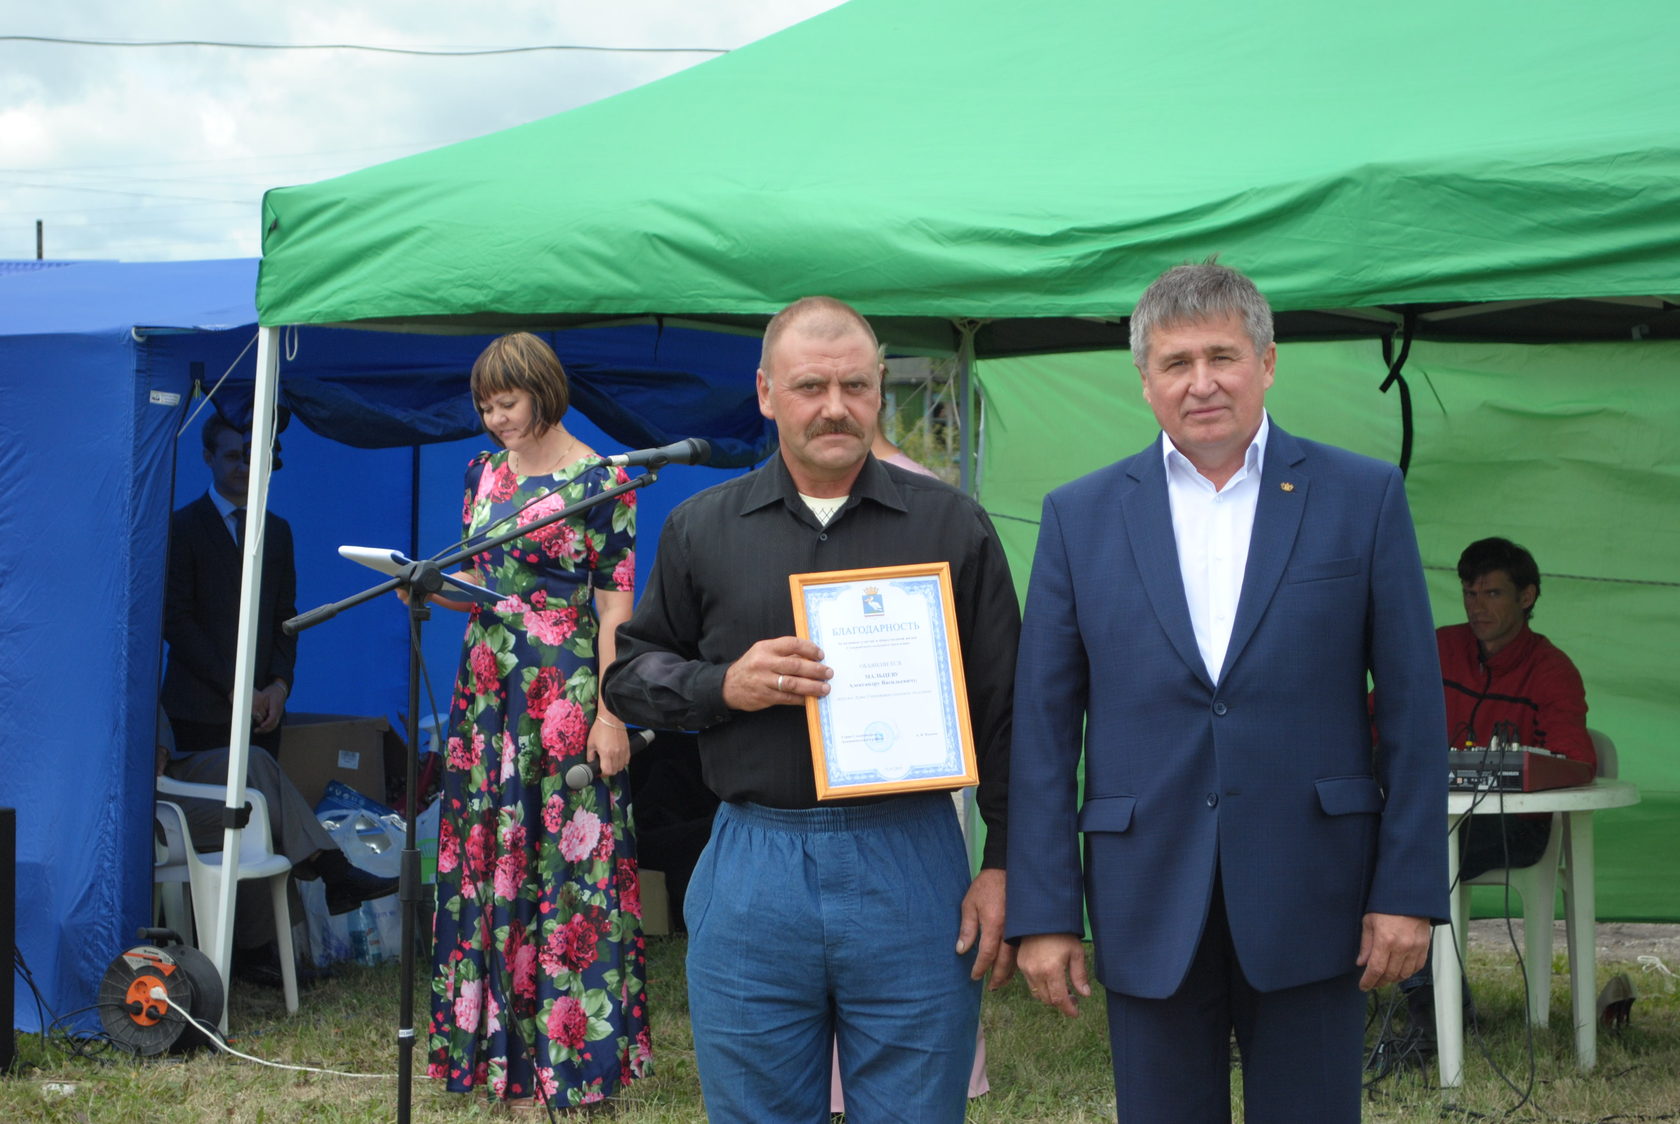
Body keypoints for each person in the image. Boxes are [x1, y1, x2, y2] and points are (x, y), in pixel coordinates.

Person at [1006, 261, 1447, 1123]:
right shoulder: (1080, 516)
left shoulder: (1362, 497)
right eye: (1175, 363)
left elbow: (1412, 713)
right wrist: (1047, 911)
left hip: (1314, 892)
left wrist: (1408, 891)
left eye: (1222, 356)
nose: (1201, 383)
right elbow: (1046, 732)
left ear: (1268, 361)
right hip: (1146, 891)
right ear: (1143, 379)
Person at [603, 296, 1019, 1122]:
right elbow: (629, 676)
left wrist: (1006, 863)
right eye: (810, 386)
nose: (835, 406)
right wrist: (723, 685)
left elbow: (1010, 710)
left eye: (856, 386)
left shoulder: (951, 526)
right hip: (756, 859)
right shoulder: (702, 528)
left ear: (878, 391)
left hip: (911, 856)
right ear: (765, 393)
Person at [424, 332, 649, 1112]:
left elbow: (616, 603)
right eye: (485, 406)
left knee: (562, 869)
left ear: (543, 390)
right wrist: (424, 587)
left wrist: (611, 712)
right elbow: (484, 583)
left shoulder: (603, 479)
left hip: (561, 692)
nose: (495, 419)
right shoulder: (480, 472)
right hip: (485, 692)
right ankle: (501, 1063)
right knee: (487, 861)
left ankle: (569, 1065)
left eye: (507, 402)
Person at [1440, 535, 1593, 877]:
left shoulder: (1552, 671)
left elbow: (1576, 763)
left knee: (1417, 851)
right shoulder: (1441, 647)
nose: (1476, 607)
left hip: (1517, 825)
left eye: (1492, 594)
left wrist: (1509, 766)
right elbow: (1378, 719)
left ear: (1526, 596)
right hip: (1433, 815)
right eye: (1470, 593)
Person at [162, 410, 296, 755]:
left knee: (260, 803)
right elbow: (175, 619)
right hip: (197, 710)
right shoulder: (182, 527)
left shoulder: (277, 531)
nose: (243, 467)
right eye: (233, 456)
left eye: (251, 457)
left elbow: (285, 616)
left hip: (263, 713)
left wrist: (279, 686)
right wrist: (234, 686)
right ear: (209, 458)